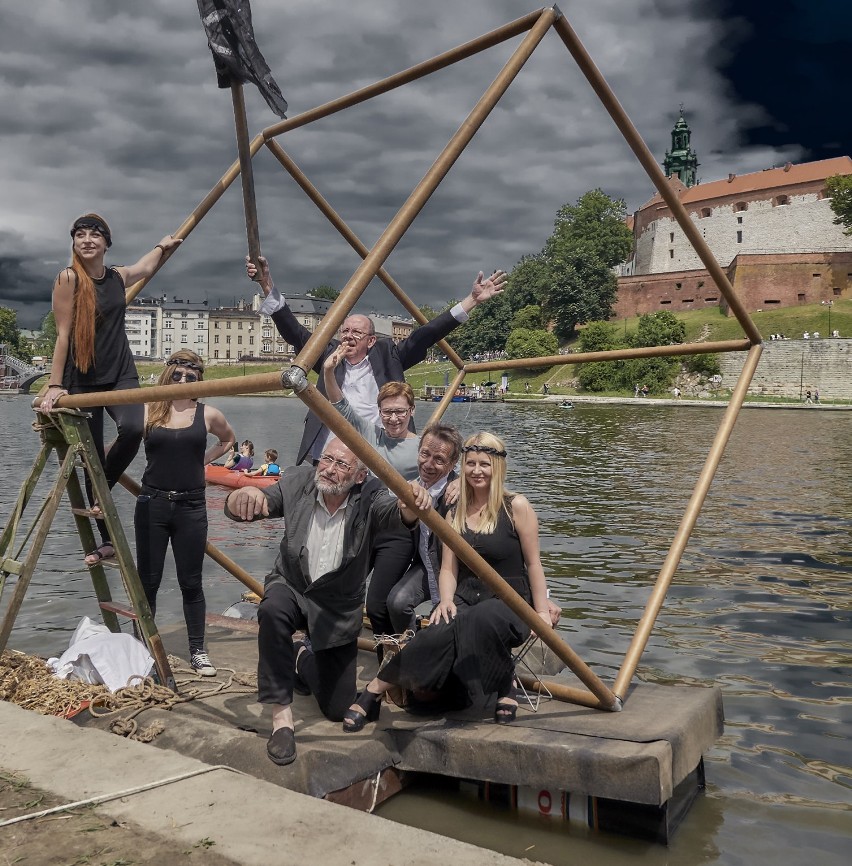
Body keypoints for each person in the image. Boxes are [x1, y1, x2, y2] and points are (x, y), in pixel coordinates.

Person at [224, 436, 431, 765]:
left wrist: (410, 507)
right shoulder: (300, 481)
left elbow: (395, 515)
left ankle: (300, 657)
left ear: (360, 475)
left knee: (337, 709)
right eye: (327, 460)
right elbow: (261, 500)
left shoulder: (372, 494)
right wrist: (242, 497)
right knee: (273, 609)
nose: (330, 469)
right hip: (292, 586)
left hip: (336, 606)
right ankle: (282, 719)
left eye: (341, 464)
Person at [342, 432, 551, 732]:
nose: (477, 471)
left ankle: (504, 684)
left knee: (481, 617)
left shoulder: (516, 506)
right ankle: (374, 691)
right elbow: (448, 570)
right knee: (435, 631)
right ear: (463, 467)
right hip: (465, 597)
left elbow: (534, 564)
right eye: (471, 464)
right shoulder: (454, 511)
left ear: (498, 468)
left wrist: (542, 612)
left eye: (485, 464)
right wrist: (447, 601)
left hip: (511, 601)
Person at [246, 255, 506, 464]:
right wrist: (266, 285)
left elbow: (426, 335)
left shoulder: (387, 355)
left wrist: (471, 301)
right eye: (345, 331)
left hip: (376, 456)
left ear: (371, 340)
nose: (348, 337)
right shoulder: (328, 355)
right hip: (327, 456)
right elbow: (295, 332)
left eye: (357, 332)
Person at [41, 213, 182, 565]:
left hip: (121, 373)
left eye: (95, 235)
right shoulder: (68, 279)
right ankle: (105, 542)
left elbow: (144, 267)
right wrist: (55, 384)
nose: (87, 240)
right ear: (74, 243)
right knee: (93, 458)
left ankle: (100, 489)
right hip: (82, 378)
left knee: (134, 429)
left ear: (106, 242)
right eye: (80, 235)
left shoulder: (117, 276)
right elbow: (62, 335)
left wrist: (162, 246)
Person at [135, 351, 236, 676]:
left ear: (198, 381)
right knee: (147, 582)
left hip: (191, 506)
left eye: (190, 377)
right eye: (177, 375)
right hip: (152, 503)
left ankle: (198, 651)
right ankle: (142, 650)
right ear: (167, 376)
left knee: (190, 582)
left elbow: (228, 441)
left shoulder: (208, 414)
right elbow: (122, 439)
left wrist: (201, 462)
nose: (182, 381)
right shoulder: (149, 409)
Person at [384, 424, 463, 634]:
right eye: (424, 454)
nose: (428, 464)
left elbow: (492, 487)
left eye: (439, 459)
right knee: (397, 602)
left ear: (453, 463)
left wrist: (465, 481)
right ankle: (409, 646)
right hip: (425, 565)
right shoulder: (413, 486)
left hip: (455, 572)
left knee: (443, 624)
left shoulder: (460, 491)